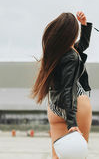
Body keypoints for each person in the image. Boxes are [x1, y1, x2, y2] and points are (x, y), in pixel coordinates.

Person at [30, 11, 93, 159]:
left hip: (54, 107)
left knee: (57, 156)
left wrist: (84, 26)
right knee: (76, 155)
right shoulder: (71, 56)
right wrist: (72, 122)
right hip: (75, 107)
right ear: (71, 33)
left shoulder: (57, 53)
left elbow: (83, 45)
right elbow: (68, 88)